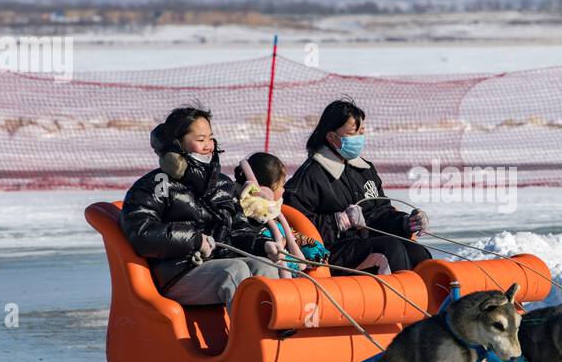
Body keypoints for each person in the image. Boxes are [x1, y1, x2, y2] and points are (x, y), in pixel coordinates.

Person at [121, 106, 278, 309]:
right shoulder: (155, 185)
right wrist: (194, 240)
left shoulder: (222, 184)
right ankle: (248, 338)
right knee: (235, 271)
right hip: (177, 273)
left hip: (218, 263)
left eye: (210, 138)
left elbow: (238, 230)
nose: (208, 146)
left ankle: (276, 336)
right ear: (177, 144)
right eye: (200, 140)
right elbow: (142, 234)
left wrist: (261, 244)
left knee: (265, 267)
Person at [283, 99, 431, 275]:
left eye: (362, 132)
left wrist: (405, 223)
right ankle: (406, 297)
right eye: (353, 133)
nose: (359, 138)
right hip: (334, 251)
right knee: (390, 248)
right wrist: (339, 221)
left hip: (363, 244)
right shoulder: (310, 176)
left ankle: (434, 298)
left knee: (416, 251)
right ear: (331, 137)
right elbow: (294, 226)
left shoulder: (365, 170)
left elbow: (380, 213)